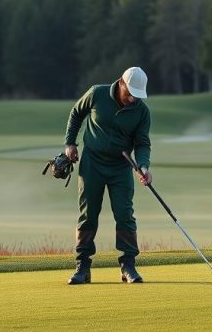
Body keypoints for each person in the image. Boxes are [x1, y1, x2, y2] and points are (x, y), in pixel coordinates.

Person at [63, 67, 153, 285]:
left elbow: (142, 143)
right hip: (92, 162)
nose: (133, 99)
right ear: (121, 83)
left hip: (121, 167)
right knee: (88, 213)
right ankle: (83, 266)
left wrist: (143, 166)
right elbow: (76, 113)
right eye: (130, 93)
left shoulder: (141, 111)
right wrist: (70, 143)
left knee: (124, 214)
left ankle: (128, 266)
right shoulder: (97, 94)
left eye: (137, 95)